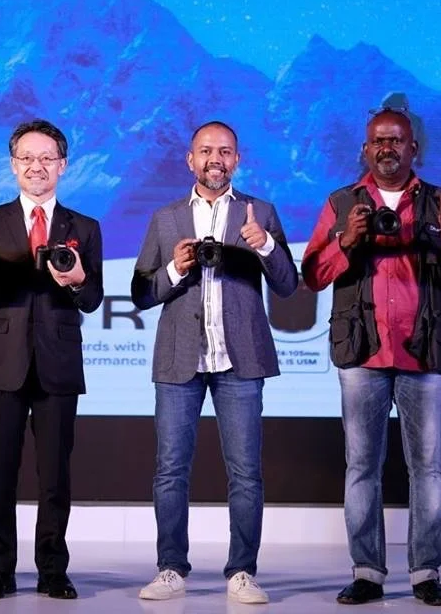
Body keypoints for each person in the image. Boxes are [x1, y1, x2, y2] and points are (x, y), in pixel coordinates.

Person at [301, 106, 441, 606]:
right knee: (361, 467)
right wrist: (348, 240)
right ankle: (367, 571)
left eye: (397, 140)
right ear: (365, 149)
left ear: (413, 149)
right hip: (362, 353)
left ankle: (426, 572)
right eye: (378, 141)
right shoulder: (342, 203)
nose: (387, 148)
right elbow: (312, 275)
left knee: (428, 468)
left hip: (424, 352)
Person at [131, 121, 298, 604]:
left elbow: (288, 286)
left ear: (237, 160)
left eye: (225, 151)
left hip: (239, 361)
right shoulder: (165, 218)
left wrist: (263, 244)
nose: (215, 159)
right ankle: (170, 568)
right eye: (206, 151)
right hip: (179, 362)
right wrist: (174, 269)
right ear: (190, 159)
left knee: (246, 472)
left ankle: (242, 571)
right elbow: (141, 293)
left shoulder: (260, 212)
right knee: (170, 470)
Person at [0, 119, 103, 601]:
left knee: (55, 475)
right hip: (3, 360)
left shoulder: (85, 226)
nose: (36, 167)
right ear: (13, 165)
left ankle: (52, 570)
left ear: (62, 165)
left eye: (46, 159)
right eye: (27, 158)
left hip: (59, 361)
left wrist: (78, 280)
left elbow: (92, 298)